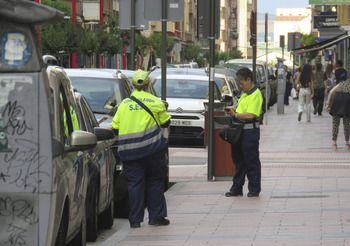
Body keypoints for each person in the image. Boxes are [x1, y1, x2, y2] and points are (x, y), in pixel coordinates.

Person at [110, 70, 171, 228]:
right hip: (153, 151)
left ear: (132, 84)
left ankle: (135, 220)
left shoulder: (124, 105)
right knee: (155, 181)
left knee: (135, 184)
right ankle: (156, 217)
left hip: (130, 152)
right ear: (148, 83)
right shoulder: (156, 102)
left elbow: (114, 127)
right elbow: (166, 123)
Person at [224, 67, 263, 197]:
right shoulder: (245, 94)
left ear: (249, 79)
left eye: (242, 83)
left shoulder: (255, 94)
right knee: (239, 161)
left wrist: (235, 115)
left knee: (251, 160)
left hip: (249, 132)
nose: (241, 86)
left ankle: (254, 188)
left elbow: (250, 115)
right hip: (240, 131)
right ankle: (237, 188)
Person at [325, 79, 350, 150]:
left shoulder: (341, 83)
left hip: (337, 100)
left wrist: (327, 104)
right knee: (347, 124)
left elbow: (330, 92)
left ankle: (334, 144)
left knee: (335, 123)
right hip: (346, 101)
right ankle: (347, 144)